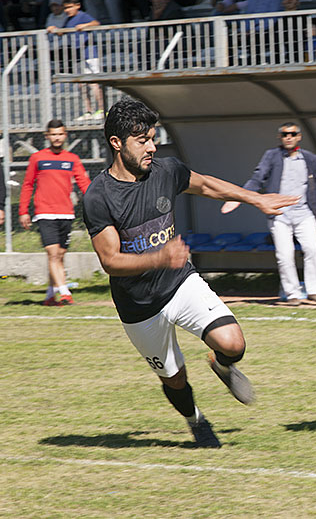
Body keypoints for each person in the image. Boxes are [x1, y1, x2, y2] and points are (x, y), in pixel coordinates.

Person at [82, 98, 297, 447]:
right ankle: (195, 419)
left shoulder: (165, 171)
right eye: (142, 140)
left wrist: (256, 200)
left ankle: (222, 364)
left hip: (179, 283)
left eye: (153, 137)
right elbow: (110, 261)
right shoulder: (99, 197)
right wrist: (158, 257)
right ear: (117, 144)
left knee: (233, 343)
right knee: (174, 379)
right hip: (139, 306)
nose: (152, 146)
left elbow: (208, 185)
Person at [221, 122, 316, 306]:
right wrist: (239, 197)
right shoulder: (272, 156)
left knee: (313, 249)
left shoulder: (309, 158)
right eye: (285, 134)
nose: (289, 137)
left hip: (304, 213)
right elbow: (257, 178)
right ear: (280, 137)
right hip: (279, 214)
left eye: (293, 134)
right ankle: (292, 294)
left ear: (299, 136)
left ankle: (314, 291)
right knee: (285, 255)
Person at [19, 119, 91, 306]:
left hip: (66, 213)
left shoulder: (72, 159)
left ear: (65, 135)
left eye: (60, 134)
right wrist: (23, 211)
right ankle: (65, 293)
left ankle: (50, 295)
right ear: (47, 136)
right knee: (52, 254)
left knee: (59, 256)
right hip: (45, 213)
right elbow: (27, 185)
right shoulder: (38, 158)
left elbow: (84, 184)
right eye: (53, 134)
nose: (57, 138)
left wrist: (97, 202)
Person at [48, 0, 104, 121]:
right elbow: (63, 31)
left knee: (94, 83)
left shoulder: (82, 16)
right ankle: (88, 111)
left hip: (89, 55)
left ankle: (102, 109)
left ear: (77, 6)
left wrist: (85, 26)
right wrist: (54, 29)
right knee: (81, 85)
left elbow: (96, 23)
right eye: (66, 8)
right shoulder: (68, 20)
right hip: (77, 56)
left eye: (70, 7)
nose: (68, 10)